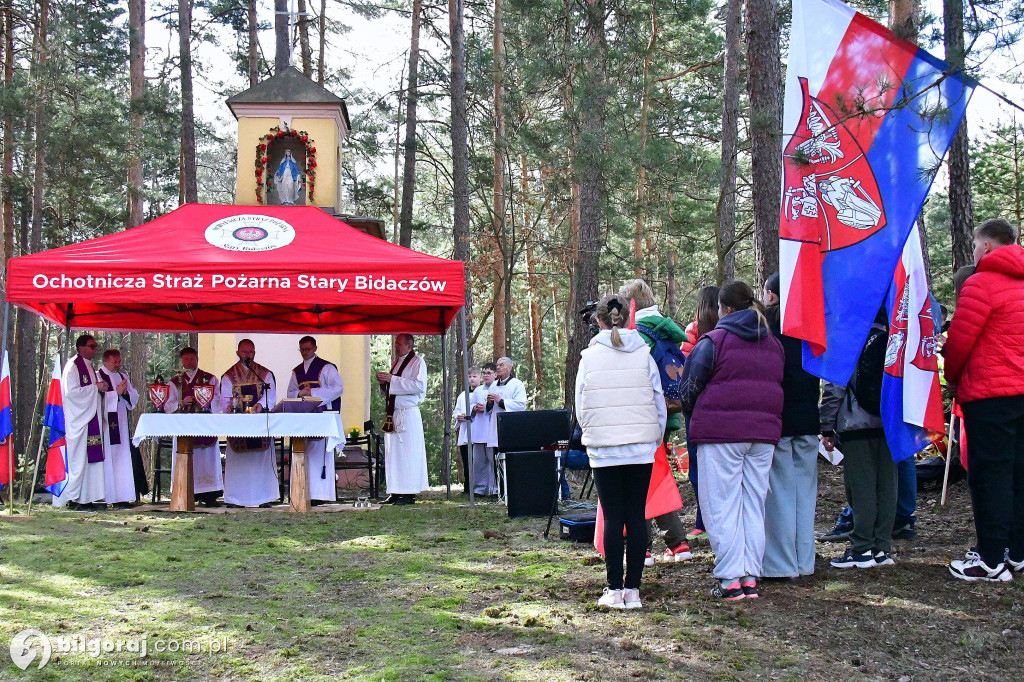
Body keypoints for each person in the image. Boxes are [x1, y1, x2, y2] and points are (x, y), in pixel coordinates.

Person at [680, 281, 784, 600]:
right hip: (763, 434)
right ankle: (750, 575)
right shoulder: (773, 344)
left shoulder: (714, 341)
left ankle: (730, 578)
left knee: (722, 506)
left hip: (720, 433)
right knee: (753, 504)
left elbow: (689, 390)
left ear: (724, 309)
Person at [944, 218, 1024, 581]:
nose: (974, 252)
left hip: (991, 395)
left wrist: (953, 378)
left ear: (987, 246)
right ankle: (1017, 552)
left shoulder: (980, 284)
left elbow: (959, 343)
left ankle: (991, 559)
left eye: (976, 246)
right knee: (1019, 473)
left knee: (990, 475)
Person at [576, 293, 666, 610]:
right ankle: (634, 591)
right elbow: (658, 402)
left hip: (605, 447)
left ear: (598, 321)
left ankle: (614, 589)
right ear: (627, 319)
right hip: (640, 446)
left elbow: (581, 404)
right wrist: (653, 437)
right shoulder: (644, 355)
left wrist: (593, 433)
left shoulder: (589, 357)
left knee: (613, 515)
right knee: (636, 515)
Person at [619, 278, 692, 564]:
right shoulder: (665, 328)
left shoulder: (637, 333)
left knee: (636, 481)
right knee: (655, 476)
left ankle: (643, 546)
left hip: (641, 414)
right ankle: (677, 542)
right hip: (667, 413)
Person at [821, 309, 898, 570]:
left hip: (856, 425)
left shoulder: (849, 342)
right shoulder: (895, 339)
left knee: (861, 487)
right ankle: (881, 546)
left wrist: (827, 427)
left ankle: (862, 547)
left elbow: (835, 388)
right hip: (889, 424)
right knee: (887, 485)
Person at [762, 273, 820, 580]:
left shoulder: (767, 330)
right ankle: (803, 561)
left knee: (781, 493)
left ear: (771, 295)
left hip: (781, 419)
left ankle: (781, 563)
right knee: (804, 494)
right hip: (808, 417)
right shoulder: (811, 326)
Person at [219, 339, 279, 508]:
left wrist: (262, 404)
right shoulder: (229, 375)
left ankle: (264, 497)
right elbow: (224, 398)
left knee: (259, 461)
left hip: (259, 424)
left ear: (254, 353)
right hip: (239, 425)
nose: (247, 355)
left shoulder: (264, 374)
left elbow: (271, 393)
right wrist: (229, 406)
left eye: (250, 352)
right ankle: (236, 499)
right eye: (244, 352)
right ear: (238, 353)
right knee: (240, 463)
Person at [286, 336, 344, 505]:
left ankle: (321, 494)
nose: (305, 353)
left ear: (315, 348)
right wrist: (299, 394)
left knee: (320, 454)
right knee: (306, 452)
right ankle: (304, 491)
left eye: (308, 349)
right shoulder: (296, 371)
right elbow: (290, 392)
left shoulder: (326, 367)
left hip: (322, 415)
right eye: (302, 350)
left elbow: (338, 388)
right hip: (305, 416)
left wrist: (313, 392)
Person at [683, 285, 720, 544]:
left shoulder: (694, 331)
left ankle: (702, 520)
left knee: (698, 465)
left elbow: (686, 368)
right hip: (722, 407)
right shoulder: (730, 332)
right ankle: (708, 519)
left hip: (697, 408)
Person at [53, 335, 107, 510]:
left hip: (90, 419)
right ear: (80, 347)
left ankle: (89, 497)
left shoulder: (90, 367)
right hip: (79, 421)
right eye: (91, 346)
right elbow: (71, 394)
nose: (95, 349)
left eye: (95, 346)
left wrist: (100, 389)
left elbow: (89, 390)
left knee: (91, 459)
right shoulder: (73, 367)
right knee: (78, 460)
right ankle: (74, 498)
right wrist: (94, 389)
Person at [165, 347, 223, 507]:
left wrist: (206, 401)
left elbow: (219, 400)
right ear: (182, 361)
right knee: (186, 455)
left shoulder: (210, 379)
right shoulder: (175, 382)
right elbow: (167, 405)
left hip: (205, 426)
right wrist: (181, 402)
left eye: (192, 358)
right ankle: (185, 490)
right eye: (186, 359)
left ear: (197, 359)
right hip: (184, 425)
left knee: (206, 459)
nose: (189, 362)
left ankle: (210, 494)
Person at [376, 334, 428, 505]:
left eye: (399, 344)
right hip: (394, 412)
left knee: (408, 454)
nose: (396, 347)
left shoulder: (417, 362)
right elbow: (393, 387)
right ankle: (395, 490)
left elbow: (419, 386)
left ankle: (409, 492)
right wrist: (384, 383)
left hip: (408, 413)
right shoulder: (397, 362)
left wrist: (392, 379)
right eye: (396, 344)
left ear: (408, 345)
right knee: (393, 454)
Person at [96, 349, 139, 507]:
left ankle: (122, 496)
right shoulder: (98, 375)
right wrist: (116, 393)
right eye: (116, 362)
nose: (119, 364)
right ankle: (106, 496)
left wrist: (126, 393)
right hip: (105, 423)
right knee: (108, 457)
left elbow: (134, 396)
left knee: (121, 457)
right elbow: (96, 398)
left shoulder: (123, 376)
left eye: (120, 361)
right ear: (106, 361)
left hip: (121, 421)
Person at [469, 364, 500, 497]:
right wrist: (475, 407)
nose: (486, 375)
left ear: (495, 375)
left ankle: (495, 488)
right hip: (479, 430)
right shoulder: (478, 390)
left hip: (492, 431)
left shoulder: (498, 388)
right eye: (484, 373)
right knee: (479, 462)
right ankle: (479, 488)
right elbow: (470, 404)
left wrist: (488, 408)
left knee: (493, 461)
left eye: (489, 373)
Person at [452, 367, 482, 495]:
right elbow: (456, 410)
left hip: (479, 432)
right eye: (470, 377)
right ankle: (468, 487)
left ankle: (480, 487)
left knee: (479, 461)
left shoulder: (483, 392)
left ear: (480, 378)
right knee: (467, 460)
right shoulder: (462, 395)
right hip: (465, 432)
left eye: (475, 376)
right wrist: (458, 416)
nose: (472, 379)